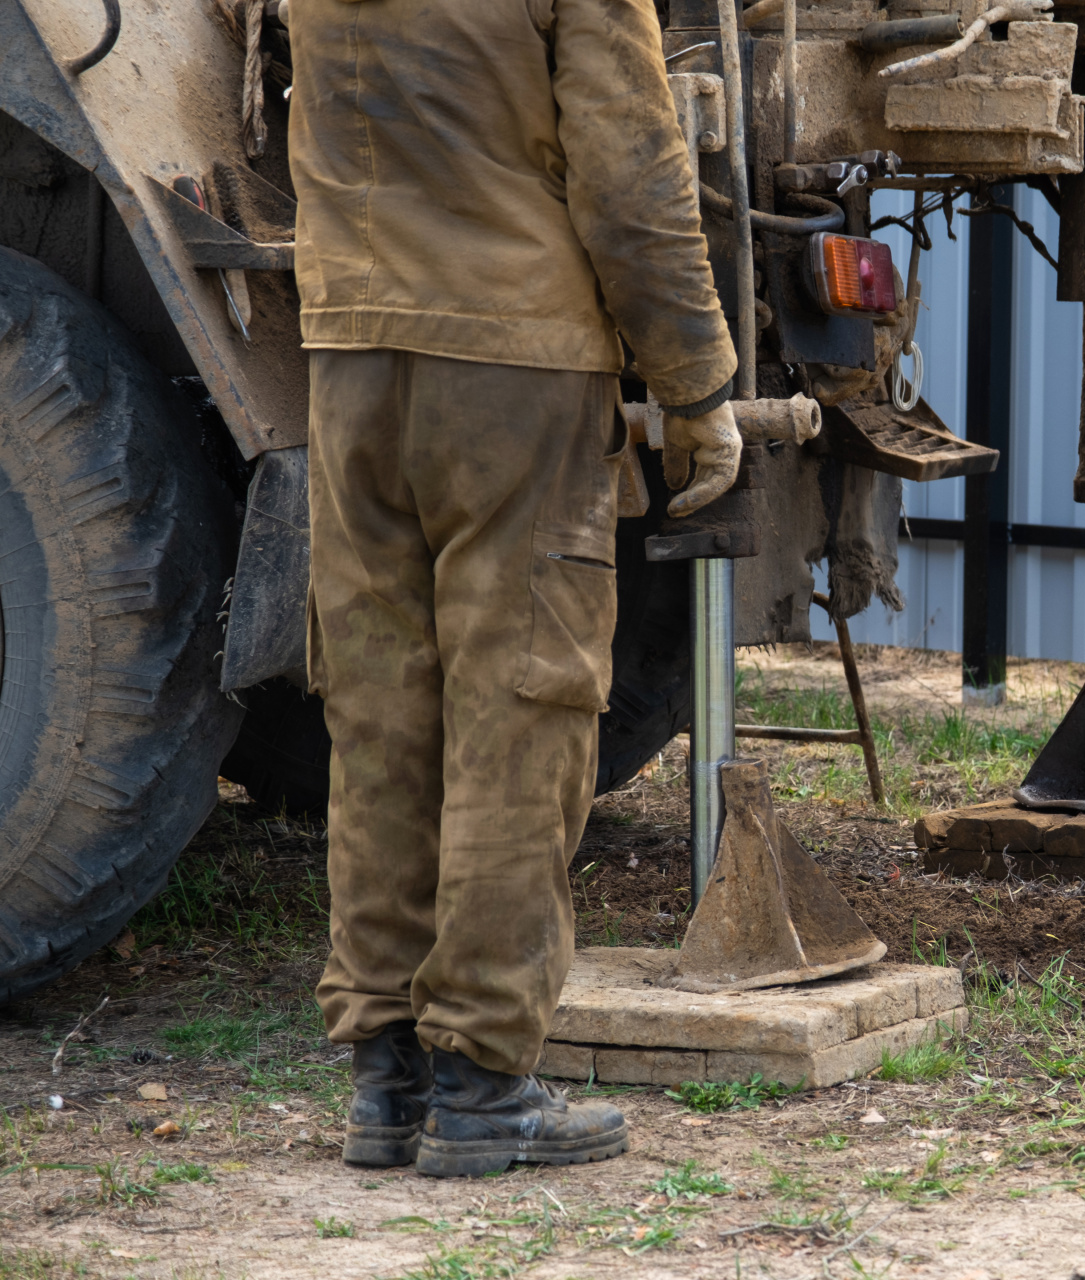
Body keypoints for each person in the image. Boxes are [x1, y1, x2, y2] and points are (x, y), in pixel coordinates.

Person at [287, 0, 742, 1178]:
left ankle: (386, 1077)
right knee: (520, 711)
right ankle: (485, 1081)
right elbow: (632, 174)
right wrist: (696, 382)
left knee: (380, 709)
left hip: (349, 358)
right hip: (513, 361)